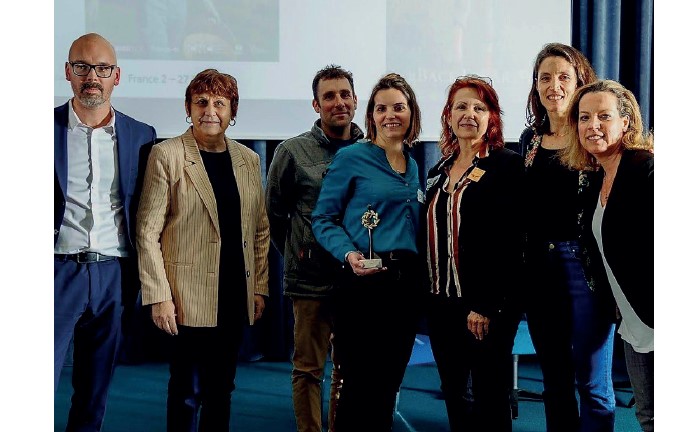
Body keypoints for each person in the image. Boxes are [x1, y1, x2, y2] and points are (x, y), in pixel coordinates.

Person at [136, 69, 270, 432]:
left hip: (232, 294)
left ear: (232, 111)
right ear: (188, 107)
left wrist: (258, 287)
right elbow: (147, 232)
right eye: (201, 102)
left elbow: (259, 229)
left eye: (219, 103)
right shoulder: (167, 154)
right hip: (184, 297)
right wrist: (159, 296)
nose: (210, 110)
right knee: (186, 391)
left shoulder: (249, 160)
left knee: (221, 390)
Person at [54, 33, 157, 432]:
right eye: (81, 67)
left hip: (114, 275)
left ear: (117, 76)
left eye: (101, 69)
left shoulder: (141, 135)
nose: (91, 76)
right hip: (56, 272)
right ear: (68, 72)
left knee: (94, 392)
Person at [312, 73, 425, 431]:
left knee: (388, 387)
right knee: (359, 388)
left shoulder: (414, 164)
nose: (391, 114)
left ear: (411, 114)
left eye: (399, 107)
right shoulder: (351, 158)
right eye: (382, 108)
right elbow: (323, 218)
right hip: (363, 286)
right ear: (371, 115)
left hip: (405, 287)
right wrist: (348, 254)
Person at [519, 42, 617, 432]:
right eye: (545, 77)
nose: (554, 86)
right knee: (555, 382)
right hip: (539, 274)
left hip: (586, 271)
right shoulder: (529, 140)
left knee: (593, 385)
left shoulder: (594, 138)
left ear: (580, 83)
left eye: (564, 77)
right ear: (536, 86)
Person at [265, 65, 363, 432]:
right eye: (329, 96)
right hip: (310, 280)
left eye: (344, 95)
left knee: (349, 369)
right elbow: (274, 215)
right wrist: (300, 251)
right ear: (315, 104)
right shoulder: (292, 152)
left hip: (358, 281)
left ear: (355, 100)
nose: (338, 102)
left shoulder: (373, 149)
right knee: (308, 368)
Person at [423, 76, 524, 431]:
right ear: (448, 116)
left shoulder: (507, 165)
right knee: (453, 392)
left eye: (479, 108)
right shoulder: (439, 170)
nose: (469, 114)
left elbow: (509, 242)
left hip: (483, 306)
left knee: (489, 394)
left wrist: (484, 304)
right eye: (461, 106)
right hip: (441, 304)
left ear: (492, 118)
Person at [561, 79, 654, 432]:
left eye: (604, 116)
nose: (592, 126)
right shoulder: (596, 179)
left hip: (661, 320)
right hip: (634, 325)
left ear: (626, 122)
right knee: (649, 417)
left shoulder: (647, 170)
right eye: (584, 118)